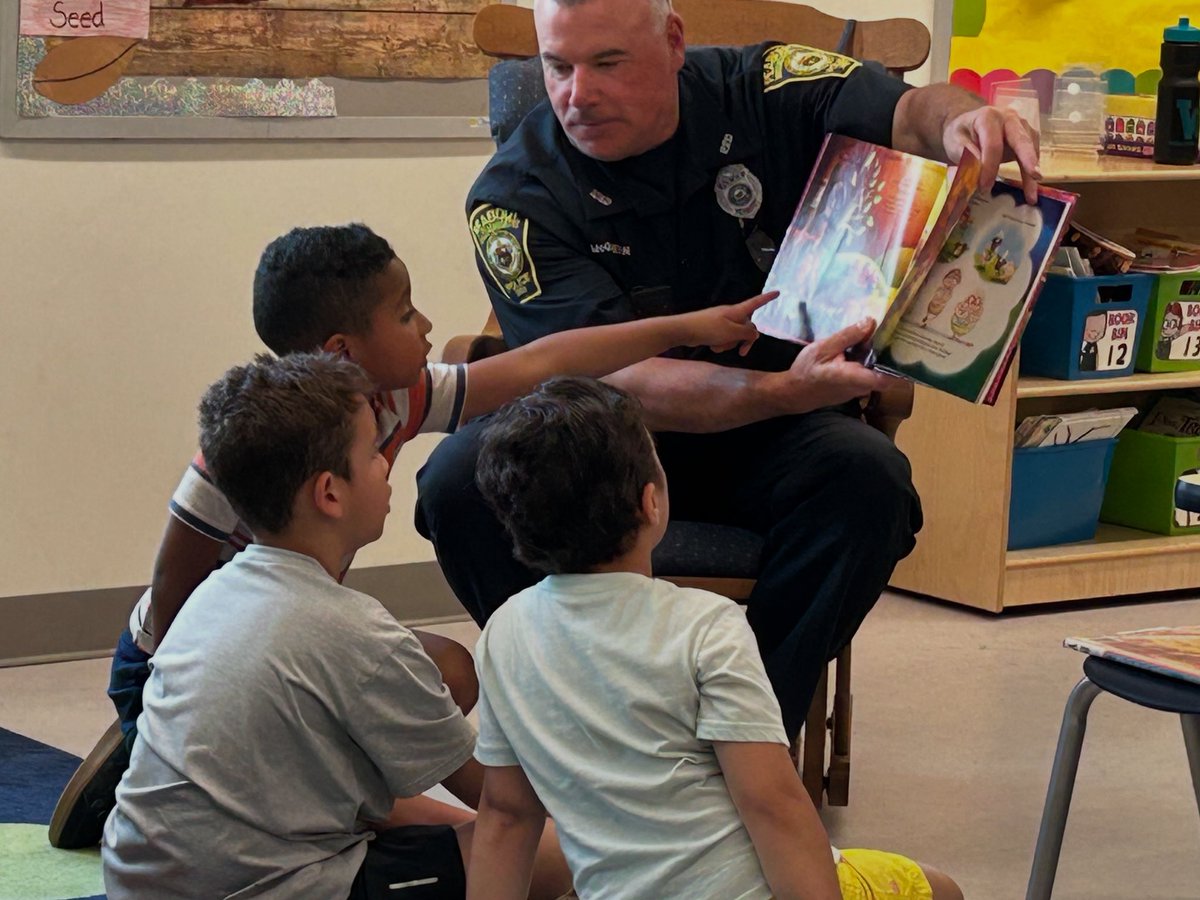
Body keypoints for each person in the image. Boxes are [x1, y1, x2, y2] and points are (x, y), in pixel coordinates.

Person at [416, 0, 1041, 739]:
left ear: (674, 41)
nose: (577, 94)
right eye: (557, 66)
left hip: (777, 434)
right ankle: (580, 729)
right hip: (603, 438)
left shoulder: (767, 84)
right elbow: (627, 381)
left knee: (869, 480)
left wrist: (962, 121)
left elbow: (908, 111)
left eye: (608, 63)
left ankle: (744, 737)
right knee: (456, 482)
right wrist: (783, 389)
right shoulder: (512, 199)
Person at [54, 222, 771, 849]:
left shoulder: (395, 397)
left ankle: (298, 793)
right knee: (460, 804)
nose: (426, 325)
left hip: (288, 647)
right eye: (403, 314)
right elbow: (174, 601)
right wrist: (178, 709)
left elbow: (544, 361)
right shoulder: (245, 448)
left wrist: (688, 327)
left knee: (447, 672)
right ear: (343, 350)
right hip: (177, 666)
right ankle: (146, 751)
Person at [468, 376, 963, 900]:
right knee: (938, 889)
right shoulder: (706, 625)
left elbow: (505, 814)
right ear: (651, 503)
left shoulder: (504, 633)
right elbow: (772, 805)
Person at [102, 353, 574, 898]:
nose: (385, 463)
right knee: (559, 854)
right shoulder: (359, 635)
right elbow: (502, 803)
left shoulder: (213, 590)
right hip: (273, 885)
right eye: (374, 450)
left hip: (137, 880)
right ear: (329, 493)